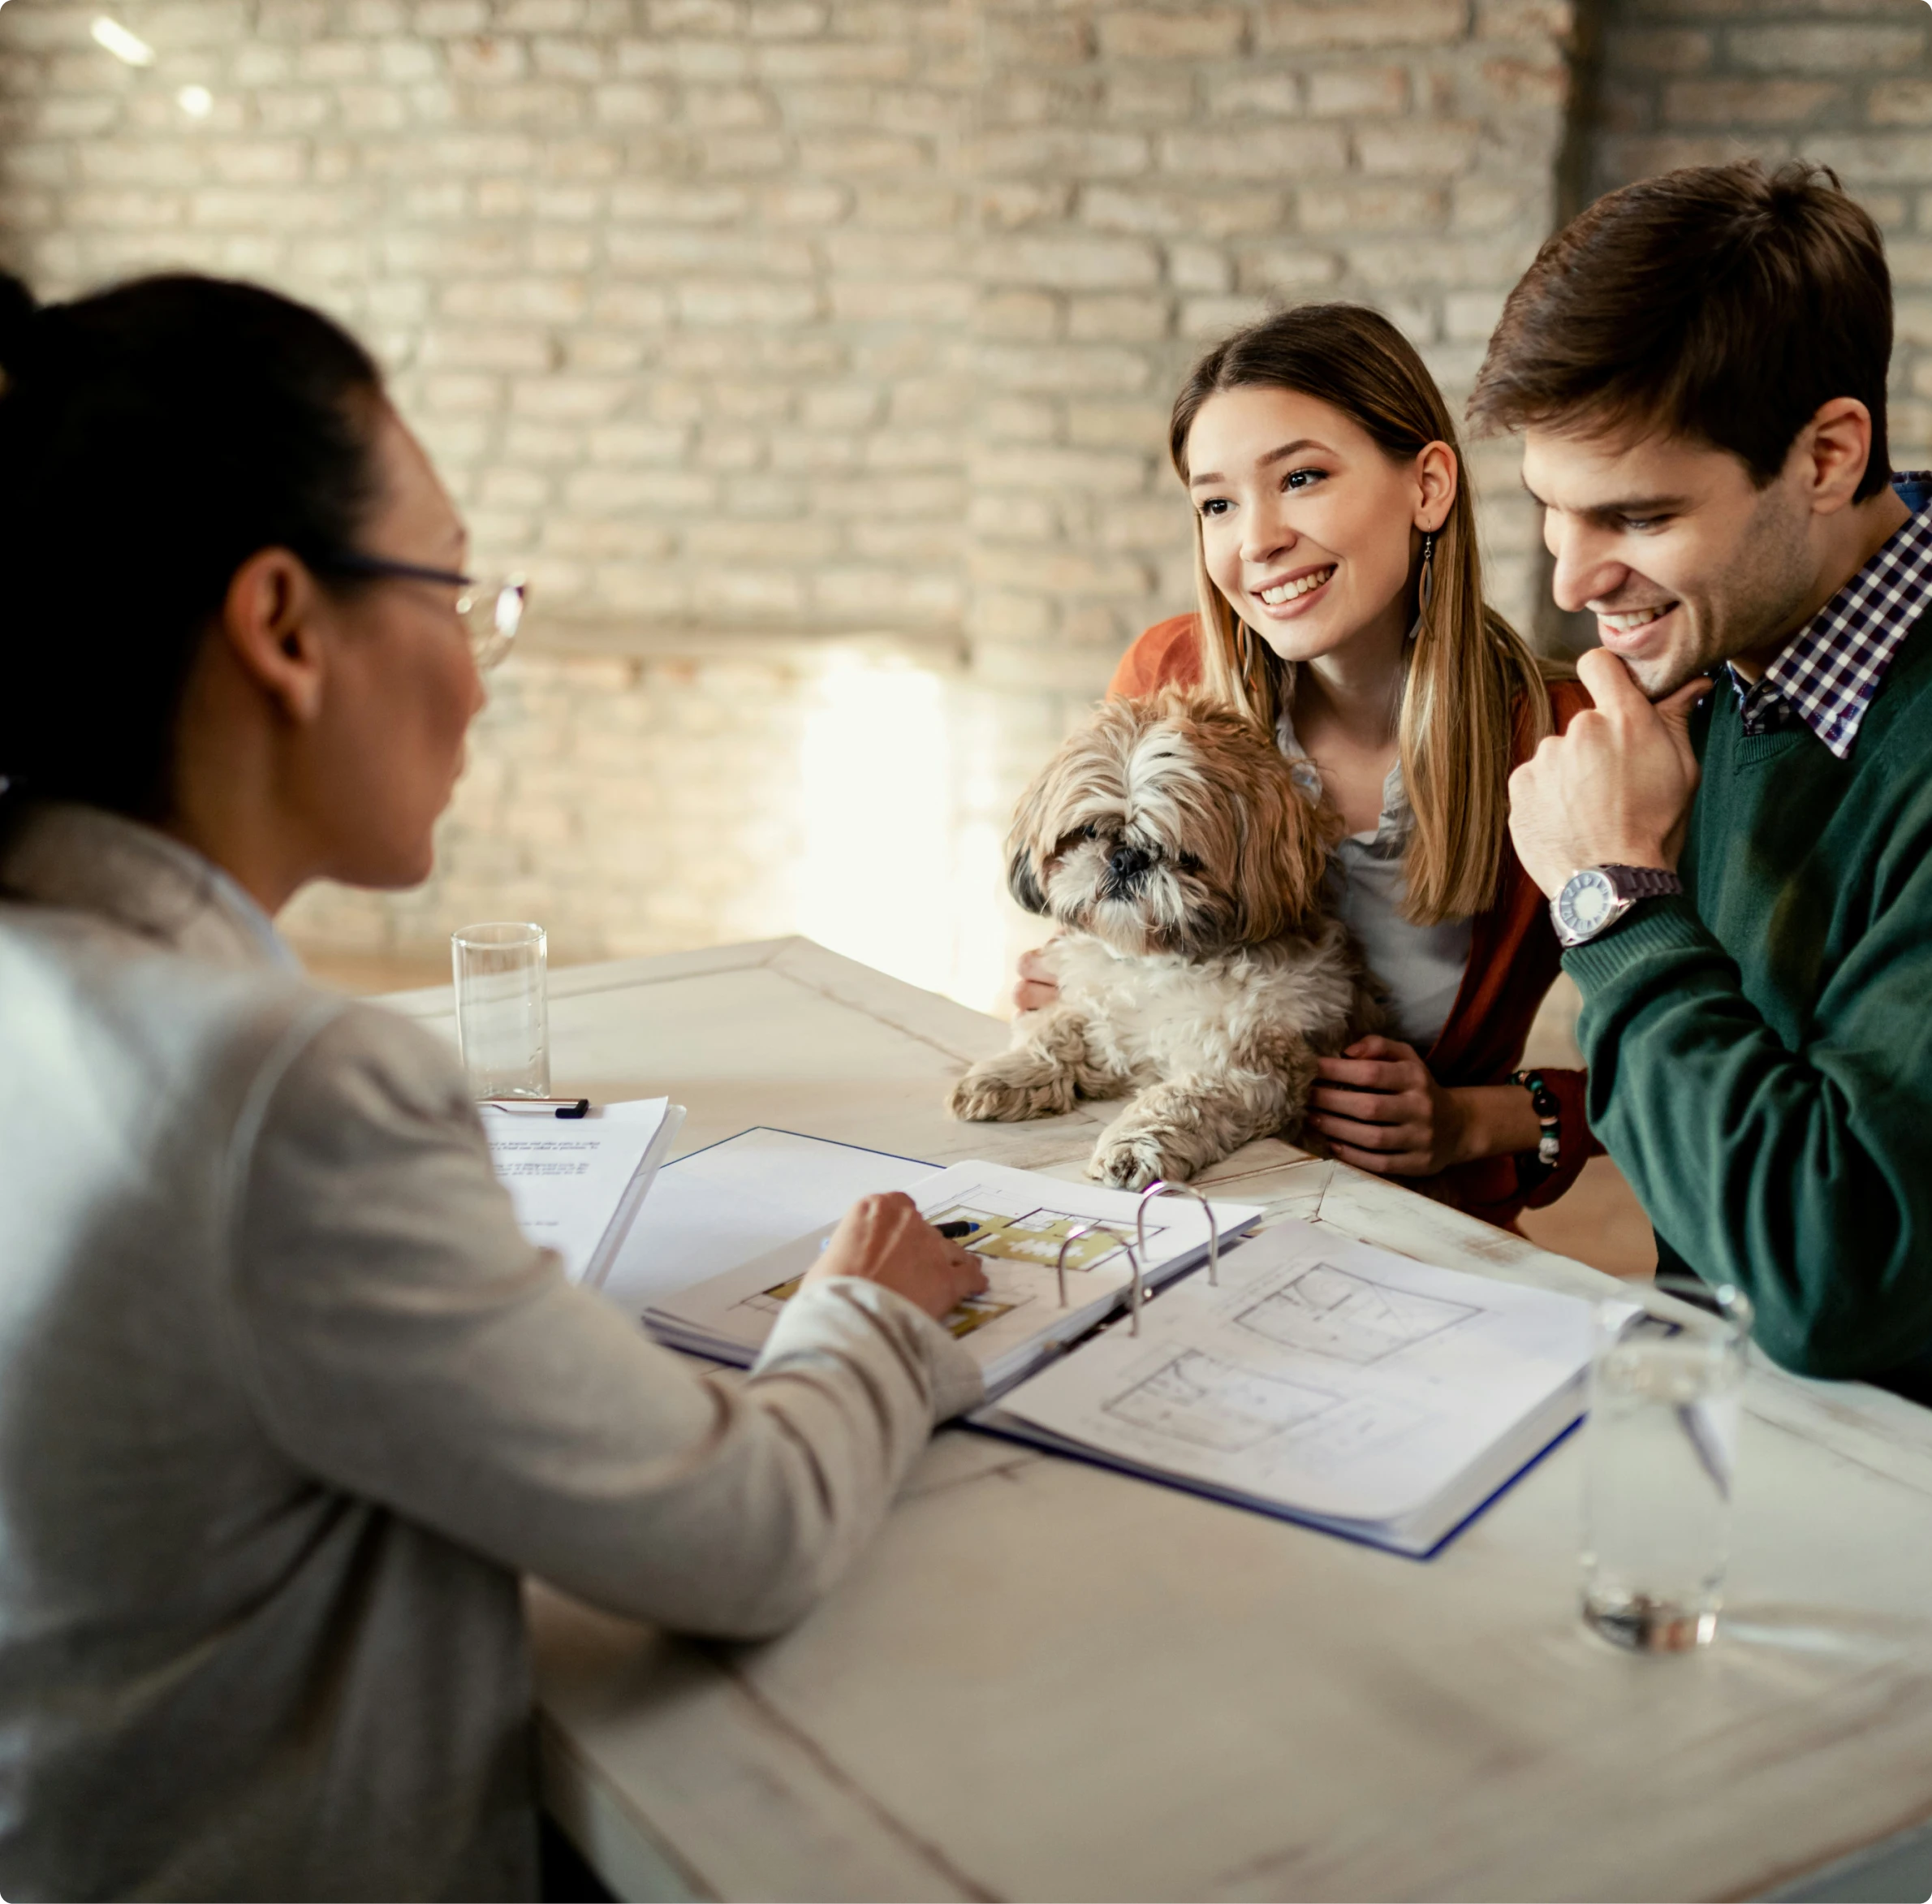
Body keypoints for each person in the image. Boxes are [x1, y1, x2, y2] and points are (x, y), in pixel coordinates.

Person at [0, 270, 988, 1904]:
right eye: (453, 589)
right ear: (284, 625)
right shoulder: (292, 1090)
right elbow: (742, 1526)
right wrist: (867, 1309)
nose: (476, 667)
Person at [1473, 160, 1932, 1397]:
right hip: (1744, 1432)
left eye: (1635, 517)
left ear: (1829, 455)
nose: (1571, 583)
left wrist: (1611, 904)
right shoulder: (1731, 653)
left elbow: (1834, 1276)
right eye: (1551, 513)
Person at [1017, 304, 1593, 1228]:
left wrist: (1475, 1119)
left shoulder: (1565, 737)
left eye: (1301, 477)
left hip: (1401, 1229)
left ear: (1429, 486)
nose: (1256, 540)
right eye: (1216, 503)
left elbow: (1696, 1060)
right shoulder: (1170, 674)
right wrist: (1081, 976)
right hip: (1167, 1202)